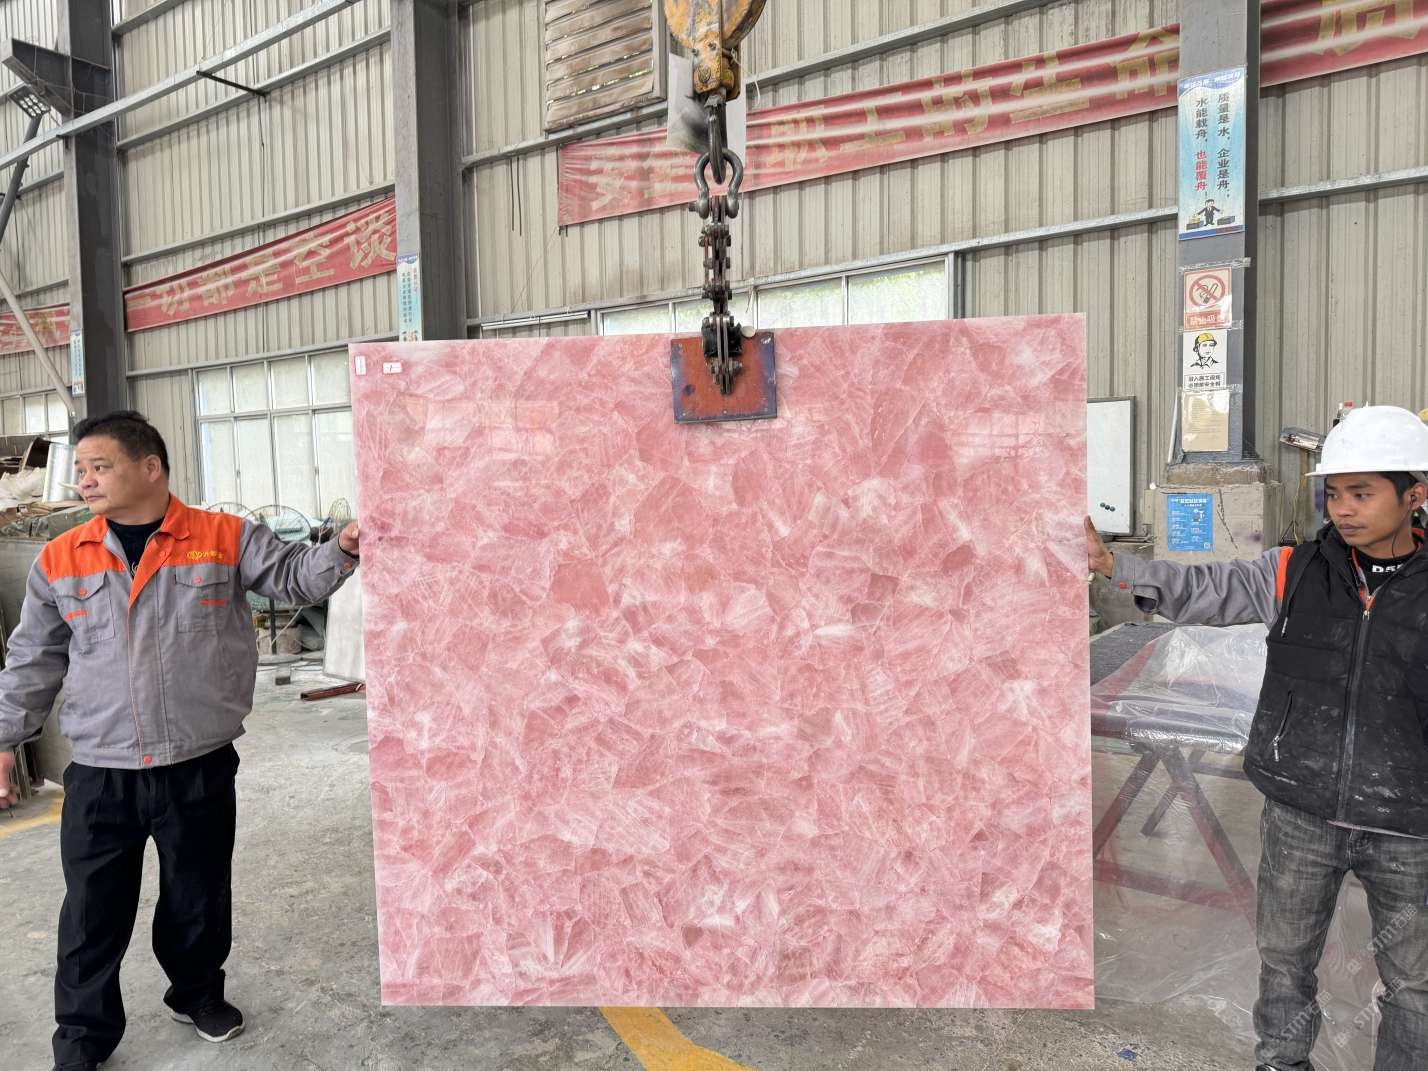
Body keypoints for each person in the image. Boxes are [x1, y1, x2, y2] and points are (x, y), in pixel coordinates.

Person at [0, 411, 360, 1071]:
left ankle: (196, 992)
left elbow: (295, 577)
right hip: (102, 770)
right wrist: (4, 739)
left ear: (150, 467)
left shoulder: (223, 537)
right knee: (91, 911)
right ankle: (82, 1035)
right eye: (81, 470)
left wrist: (345, 547)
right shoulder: (61, 557)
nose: (85, 481)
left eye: (99, 466)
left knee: (197, 895)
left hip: (197, 762)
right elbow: (33, 660)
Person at [1086, 404, 1428, 1071]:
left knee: (1414, 984)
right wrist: (1112, 566)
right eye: (1334, 493)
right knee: (1284, 963)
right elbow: (1202, 589)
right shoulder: (1294, 570)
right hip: (1301, 811)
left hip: (1409, 823)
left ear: (1414, 495)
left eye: (1362, 493)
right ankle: (1281, 1061)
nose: (1343, 509)